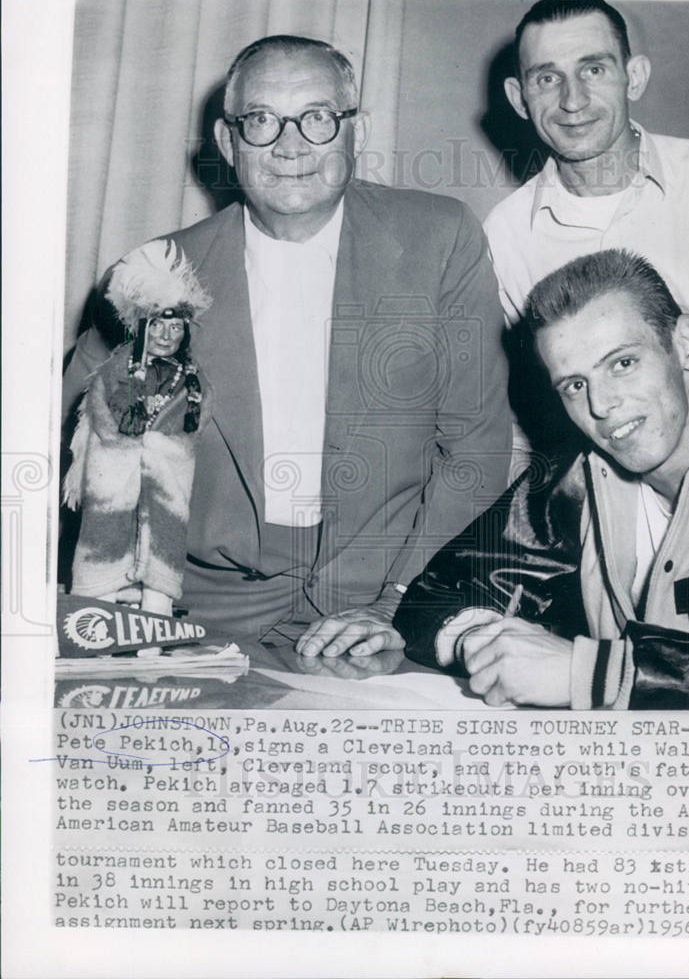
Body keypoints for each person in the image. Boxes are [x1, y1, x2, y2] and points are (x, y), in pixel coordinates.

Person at [62, 35, 512, 653]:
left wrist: (399, 600)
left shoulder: (441, 237)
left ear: (358, 130)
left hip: (384, 600)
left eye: (318, 118)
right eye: (262, 121)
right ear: (228, 142)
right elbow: (76, 435)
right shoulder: (158, 271)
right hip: (196, 610)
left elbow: (474, 446)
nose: (291, 145)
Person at [394, 249, 689, 709]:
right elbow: (437, 595)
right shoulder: (577, 480)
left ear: (685, 342)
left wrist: (596, 673)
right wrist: (489, 645)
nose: (601, 405)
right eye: (574, 385)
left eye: (622, 363)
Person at [485, 0, 689, 403]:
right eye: (547, 78)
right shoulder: (505, 235)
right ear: (519, 99)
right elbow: (521, 404)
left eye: (593, 69)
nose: (572, 101)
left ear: (635, 76)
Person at [63, 240, 213, 617]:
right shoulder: (116, 370)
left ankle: (156, 616)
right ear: (141, 327)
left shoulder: (192, 379)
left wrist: (164, 447)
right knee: (105, 538)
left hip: (167, 479)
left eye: (175, 326)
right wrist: (128, 444)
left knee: (163, 542)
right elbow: (100, 414)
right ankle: (97, 610)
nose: (165, 335)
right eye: (157, 325)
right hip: (114, 476)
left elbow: (197, 423)